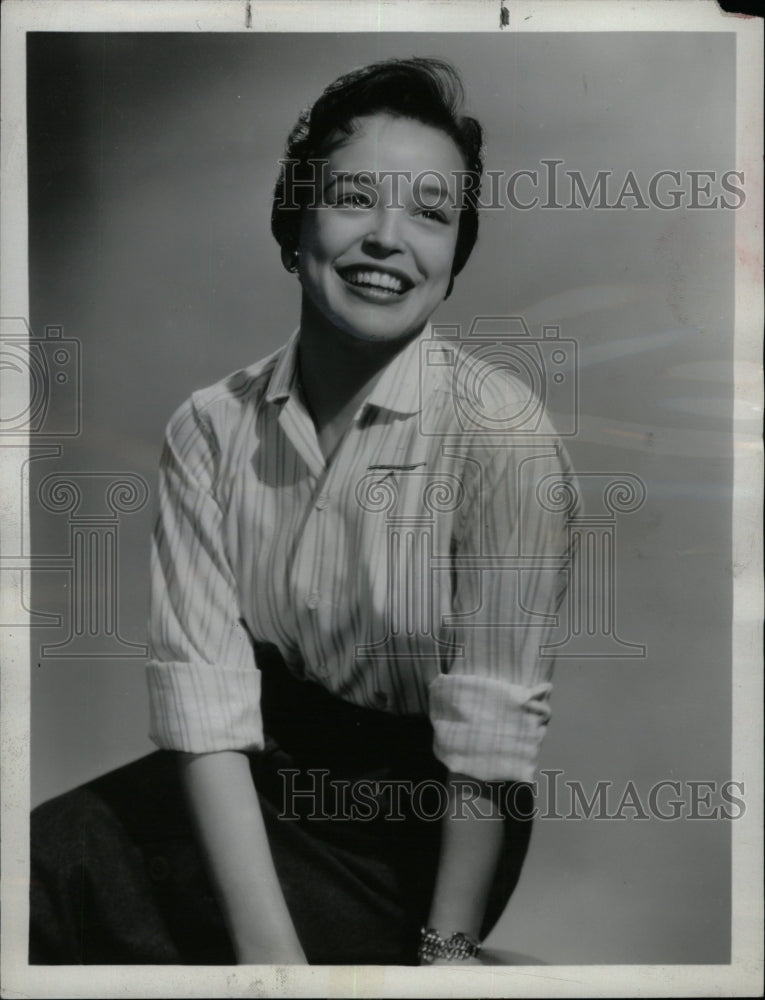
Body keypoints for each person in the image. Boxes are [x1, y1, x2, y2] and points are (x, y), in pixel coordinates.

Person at [30, 57, 577, 966]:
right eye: (354, 199)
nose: (387, 240)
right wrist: (270, 961)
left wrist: (445, 953)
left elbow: (488, 738)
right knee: (39, 871)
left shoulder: (502, 437)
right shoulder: (210, 428)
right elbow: (207, 711)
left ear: (454, 260)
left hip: (423, 825)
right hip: (252, 778)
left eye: (430, 214)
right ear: (294, 225)